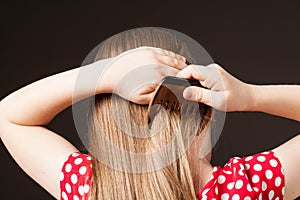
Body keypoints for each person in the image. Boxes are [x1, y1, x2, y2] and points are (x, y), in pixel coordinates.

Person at [0, 28, 299, 200]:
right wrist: (251, 95)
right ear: (205, 114)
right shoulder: (243, 189)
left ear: (103, 122)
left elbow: (8, 116)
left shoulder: (89, 188)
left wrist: (104, 75)